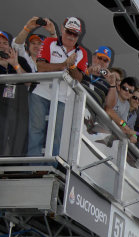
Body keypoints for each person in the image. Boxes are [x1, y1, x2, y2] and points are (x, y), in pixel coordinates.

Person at [28, 17, 87, 157]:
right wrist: (64, 65)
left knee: (57, 134)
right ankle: (30, 168)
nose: (71, 36)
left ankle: (51, 168)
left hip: (62, 98)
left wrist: (71, 66)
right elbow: (41, 67)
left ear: (79, 35)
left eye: (75, 34)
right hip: (41, 92)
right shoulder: (49, 42)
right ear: (62, 29)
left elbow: (79, 78)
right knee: (36, 130)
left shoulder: (81, 53)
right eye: (69, 32)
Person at [0, 31, 29, 156]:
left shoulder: (20, 60)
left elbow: (30, 83)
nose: (2, 46)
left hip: (17, 110)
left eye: (5, 43)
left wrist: (15, 65)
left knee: (16, 142)